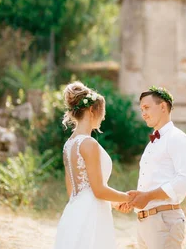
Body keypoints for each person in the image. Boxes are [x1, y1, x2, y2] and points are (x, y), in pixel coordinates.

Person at [54, 81, 130, 249]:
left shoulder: (68, 145)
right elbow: (98, 190)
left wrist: (114, 203)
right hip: (92, 215)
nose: (103, 117)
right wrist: (129, 198)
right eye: (102, 113)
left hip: (74, 211)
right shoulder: (89, 144)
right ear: (91, 110)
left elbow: (74, 190)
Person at [120, 86, 186, 249]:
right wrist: (135, 199)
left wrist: (148, 196)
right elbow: (154, 182)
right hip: (144, 223)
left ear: (162, 107)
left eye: (146, 108)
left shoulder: (178, 139)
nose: (143, 113)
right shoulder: (153, 142)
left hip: (164, 221)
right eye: (141, 109)